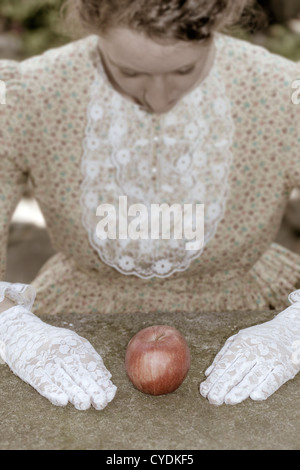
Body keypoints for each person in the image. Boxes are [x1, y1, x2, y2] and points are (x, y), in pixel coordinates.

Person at [0, 0, 299, 410]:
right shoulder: (30, 95)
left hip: (253, 306)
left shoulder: (282, 94)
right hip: (75, 318)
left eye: (183, 70)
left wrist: (292, 332)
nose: (158, 100)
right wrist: (11, 327)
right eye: (129, 71)